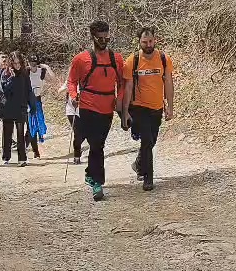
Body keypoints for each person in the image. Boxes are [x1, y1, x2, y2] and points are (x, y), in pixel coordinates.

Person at [66, 20, 126, 201]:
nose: (104, 41)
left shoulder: (117, 59)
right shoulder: (81, 59)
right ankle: (98, 184)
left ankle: (90, 173)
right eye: (100, 38)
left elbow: (122, 83)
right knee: (97, 145)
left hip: (107, 107)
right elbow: (71, 81)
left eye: (106, 38)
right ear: (93, 37)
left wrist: (119, 100)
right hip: (87, 106)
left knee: (98, 144)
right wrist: (73, 95)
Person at [121, 27, 176, 191]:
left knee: (151, 140)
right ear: (139, 42)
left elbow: (168, 83)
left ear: (155, 40)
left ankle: (138, 164)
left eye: (150, 41)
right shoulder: (133, 61)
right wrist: (125, 112)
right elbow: (128, 87)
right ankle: (148, 178)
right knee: (146, 140)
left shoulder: (164, 59)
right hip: (139, 107)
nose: (148, 45)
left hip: (157, 107)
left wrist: (170, 107)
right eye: (144, 42)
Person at [0, 52, 38, 166]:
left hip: (21, 106)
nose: (17, 65)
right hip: (8, 107)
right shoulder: (5, 73)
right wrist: (11, 77)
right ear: (11, 63)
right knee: (7, 133)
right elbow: (4, 90)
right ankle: (6, 156)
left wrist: (33, 105)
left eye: (19, 63)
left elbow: (28, 90)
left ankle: (22, 158)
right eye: (15, 63)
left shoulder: (24, 73)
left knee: (20, 133)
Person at [27, 55, 52, 158]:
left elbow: (52, 80)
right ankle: (34, 150)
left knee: (38, 125)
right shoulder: (26, 72)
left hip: (37, 100)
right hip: (27, 101)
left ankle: (35, 150)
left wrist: (48, 68)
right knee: (30, 126)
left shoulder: (41, 72)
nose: (33, 64)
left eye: (34, 62)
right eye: (30, 62)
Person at [59, 78, 85, 164]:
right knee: (77, 133)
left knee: (85, 133)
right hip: (71, 110)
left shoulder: (87, 79)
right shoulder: (69, 80)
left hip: (84, 110)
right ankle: (76, 156)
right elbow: (60, 91)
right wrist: (68, 88)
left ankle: (77, 147)